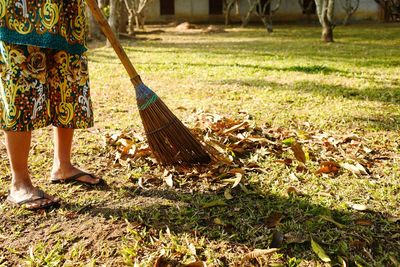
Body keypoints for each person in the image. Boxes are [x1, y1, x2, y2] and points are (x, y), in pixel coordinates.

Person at [0, 0, 101, 210]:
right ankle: (19, 182)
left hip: (65, 10)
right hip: (21, 13)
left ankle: (62, 165)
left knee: (67, 83)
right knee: (21, 89)